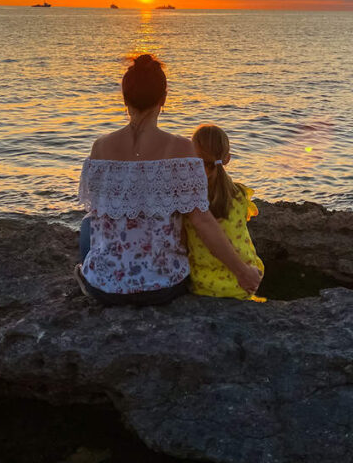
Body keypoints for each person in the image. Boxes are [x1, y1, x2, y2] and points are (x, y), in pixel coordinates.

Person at [75, 54, 262, 305]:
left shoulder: (100, 147)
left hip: (106, 288)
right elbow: (201, 220)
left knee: (88, 224)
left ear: (124, 98)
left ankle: (89, 275)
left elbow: (99, 212)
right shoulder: (181, 148)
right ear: (164, 98)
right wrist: (243, 272)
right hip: (163, 285)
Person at [185, 124, 265, 300]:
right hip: (246, 281)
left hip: (205, 284)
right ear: (227, 158)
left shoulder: (190, 198)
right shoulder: (240, 194)